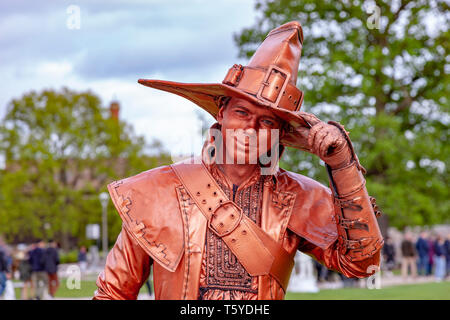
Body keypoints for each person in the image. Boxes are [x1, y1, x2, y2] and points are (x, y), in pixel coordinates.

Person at [94, 21, 384, 300]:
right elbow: (113, 293)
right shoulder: (158, 191)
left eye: (267, 120)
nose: (251, 129)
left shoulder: (299, 197)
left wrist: (342, 165)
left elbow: (362, 265)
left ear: (280, 133)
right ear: (222, 112)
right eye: (242, 113)